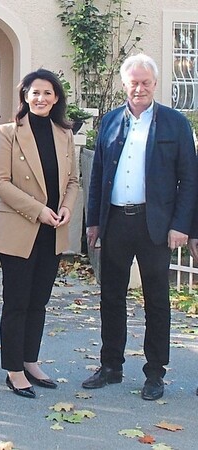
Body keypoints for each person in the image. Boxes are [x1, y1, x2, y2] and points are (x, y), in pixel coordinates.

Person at [83, 53, 197, 401]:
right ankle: (110, 366)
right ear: (124, 85)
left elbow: (190, 179)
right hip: (116, 221)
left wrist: (182, 226)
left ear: (155, 84)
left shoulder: (175, 123)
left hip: (157, 226)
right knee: (111, 297)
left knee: (157, 301)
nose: (140, 88)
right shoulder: (111, 121)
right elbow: (99, 173)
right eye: (134, 82)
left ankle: (154, 373)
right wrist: (94, 222)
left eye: (146, 82)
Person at [0, 69, 79, 398]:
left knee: (39, 301)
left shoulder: (64, 133)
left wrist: (67, 208)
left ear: (56, 98)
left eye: (47, 93)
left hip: (53, 230)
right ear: (25, 96)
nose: (40, 98)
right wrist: (38, 210)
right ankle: (13, 369)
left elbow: (72, 181)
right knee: (17, 301)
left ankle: (30, 360)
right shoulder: (8, 132)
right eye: (34, 93)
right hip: (20, 228)